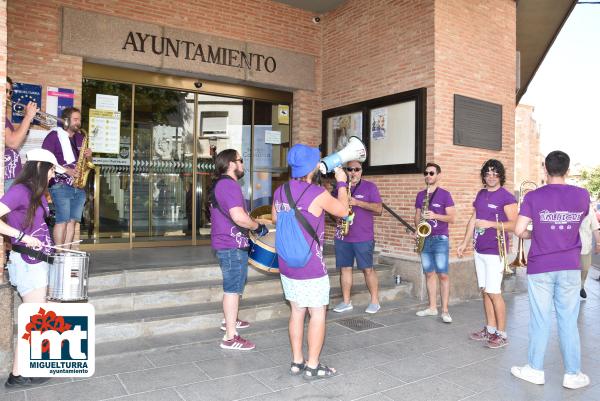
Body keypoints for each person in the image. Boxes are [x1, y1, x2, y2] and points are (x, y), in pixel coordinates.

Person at [511, 151, 591, 389]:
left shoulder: (533, 197)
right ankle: (573, 374)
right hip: (570, 265)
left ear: (545, 168)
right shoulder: (582, 195)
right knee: (568, 320)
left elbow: (518, 230)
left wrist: (536, 233)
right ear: (567, 170)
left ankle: (535, 369)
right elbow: (577, 222)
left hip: (541, 266)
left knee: (540, 319)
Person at [272, 144, 348, 380]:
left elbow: (276, 219)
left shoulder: (280, 190)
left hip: (286, 263)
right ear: (311, 167)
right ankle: (313, 365)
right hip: (310, 265)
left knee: (297, 311)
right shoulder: (318, 193)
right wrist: (342, 183)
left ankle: (297, 361)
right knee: (317, 313)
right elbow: (343, 211)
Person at [1, 149, 65, 388]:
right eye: (51, 171)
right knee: (35, 318)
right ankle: (17, 374)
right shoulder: (19, 191)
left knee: (46, 312)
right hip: (28, 263)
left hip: (39, 261)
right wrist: (21, 236)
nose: (52, 176)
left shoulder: (37, 194)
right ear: (41, 167)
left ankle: (34, 365)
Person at [210, 149, 267, 351]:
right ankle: (229, 336)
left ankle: (230, 319)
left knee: (236, 285)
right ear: (231, 163)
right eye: (240, 160)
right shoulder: (227, 185)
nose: (243, 164)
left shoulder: (225, 184)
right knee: (233, 289)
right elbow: (239, 217)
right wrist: (258, 227)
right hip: (230, 245)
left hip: (232, 243)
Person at [457, 159, 517, 348]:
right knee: (485, 291)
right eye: (488, 173)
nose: (491, 177)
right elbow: (473, 219)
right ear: (483, 175)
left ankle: (502, 334)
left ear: (500, 176)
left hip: (495, 252)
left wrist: (491, 224)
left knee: (494, 292)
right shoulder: (481, 193)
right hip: (479, 249)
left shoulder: (506, 197)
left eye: (495, 173)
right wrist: (464, 242)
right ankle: (490, 330)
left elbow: (514, 225)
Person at [331, 160, 383, 314]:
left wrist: (357, 202)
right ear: (346, 171)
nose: (353, 172)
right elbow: (331, 209)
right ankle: (346, 302)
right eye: (350, 169)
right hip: (343, 235)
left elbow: (379, 209)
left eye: (357, 169)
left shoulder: (370, 187)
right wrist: (337, 217)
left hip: (363, 236)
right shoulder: (339, 188)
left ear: (361, 171)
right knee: (345, 269)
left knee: (368, 269)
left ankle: (375, 301)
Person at [41, 107, 92, 249]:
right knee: (62, 220)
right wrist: (66, 170)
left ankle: (67, 252)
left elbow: (87, 163)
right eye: (75, 119)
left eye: (80, 120)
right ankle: (58, 254)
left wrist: (89, 156)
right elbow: (45, 159)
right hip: (60, 184)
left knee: (72, 222)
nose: (78, 123)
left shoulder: (81, 137)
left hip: (78, 185)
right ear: (66, 121)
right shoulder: (53, 136)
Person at [414, 163, 456, 322]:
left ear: (438, 175)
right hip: (424, 238)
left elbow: (452, 218)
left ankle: (445, 311)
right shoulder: (420, 195)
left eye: (431, 173)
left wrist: (435, 216)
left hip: (440, 239)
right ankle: (432, 308)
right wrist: (417, 229)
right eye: (426, 173)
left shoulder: (445, 194)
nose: (428, 176)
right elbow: (417, 215)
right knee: (429, 273)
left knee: (443, 275)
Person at [5, 77, 38, 190]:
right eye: (5, 90)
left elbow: (16, 140)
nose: (8, 95)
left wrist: (27, 119)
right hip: (5, 177)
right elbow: (13, 143)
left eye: (10, 92)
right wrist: (28, 117)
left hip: (10, 176)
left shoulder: (4, 118)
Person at [578, 201, 600, 299]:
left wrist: (598, 244)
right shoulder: (568, 208)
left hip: (585, 247)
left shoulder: (590, 211)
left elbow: (595, 228)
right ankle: (572, 289)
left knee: (585, 269)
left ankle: (581, 286)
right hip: (569, 248)